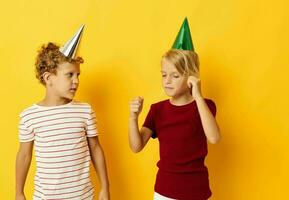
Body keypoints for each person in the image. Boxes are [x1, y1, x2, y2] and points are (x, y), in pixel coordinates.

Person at [129, 18, 220, 200]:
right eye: (164, 75)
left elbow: (214, 137)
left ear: (191, 78)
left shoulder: (205, 106)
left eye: (175, 75)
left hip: (198, 191)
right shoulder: (157, 110)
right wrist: (133, 117)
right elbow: (136, 146)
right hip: (165, 192)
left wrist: (198, 96)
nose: (167, 81)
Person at [15, 25, 110, 200]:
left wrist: (105, 187)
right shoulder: (29, 116)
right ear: (48, 78)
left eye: (78, 75)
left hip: (82, 197)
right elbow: (24, 154)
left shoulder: (84, 111)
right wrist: (19, 192)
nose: (76, 81)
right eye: (70, 75)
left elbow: (95, 148)